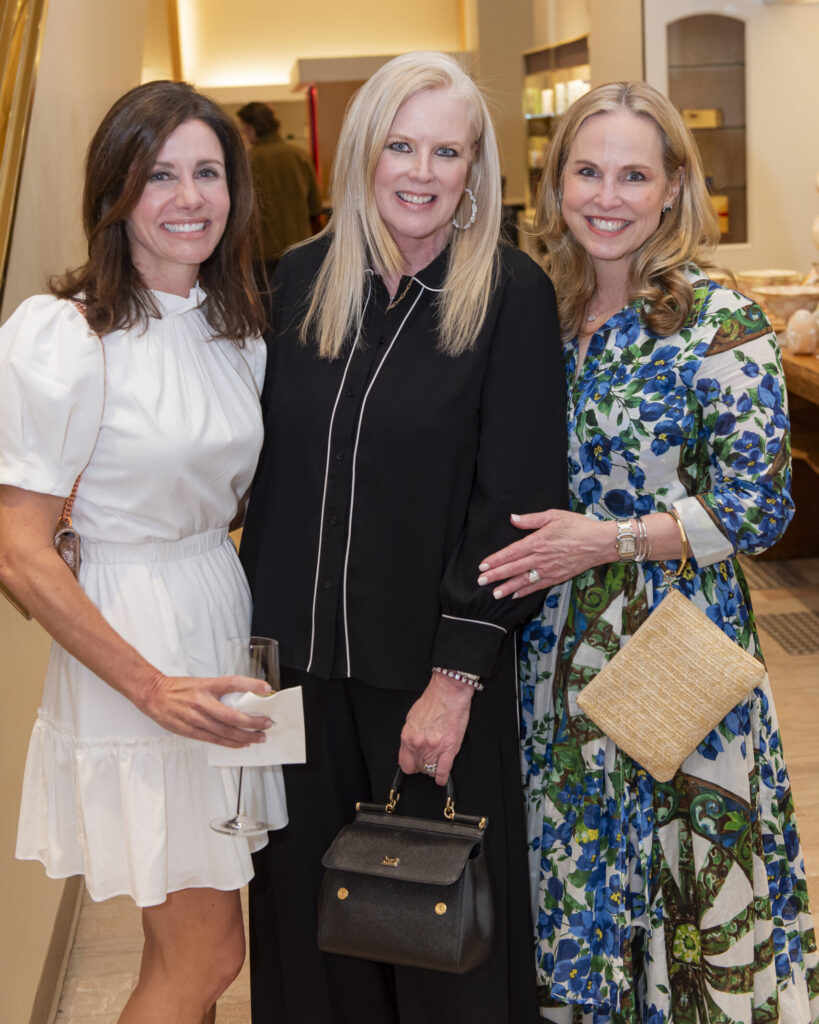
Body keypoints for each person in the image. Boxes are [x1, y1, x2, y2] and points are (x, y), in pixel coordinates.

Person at [477, 82, 819, 1022]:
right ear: (555, 185)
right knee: (575, 870)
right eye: (586, 172)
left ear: (672, 187)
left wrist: (610, 538)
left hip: (674, 648)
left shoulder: (719, 322)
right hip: (549, 649)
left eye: (634, 174)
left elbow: (760, 508)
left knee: (682, 885)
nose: (607, 196)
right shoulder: (533, 308)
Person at [239, 51, 567, 1024]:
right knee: (312, 939)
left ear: (475, 173)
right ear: (362, 155)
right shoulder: (291, 285)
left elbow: (517, 506)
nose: (421, 172)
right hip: (293, 684)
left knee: (437, 947)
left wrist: (455, 677)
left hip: (427, 685)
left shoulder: (509, 295)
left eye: (448, 151)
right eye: (401, 145)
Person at [0, 81, 288, 1024]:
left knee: (191, 947)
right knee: (205, 958)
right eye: (160, 175)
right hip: (137, 645)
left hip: (216, 612)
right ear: (115, 194)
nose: (189, 197)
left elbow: (229, 495)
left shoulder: (233, 327)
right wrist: (149, 686)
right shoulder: (68, 334)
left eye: (207, 172)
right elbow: (18, 549)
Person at [236, 101, 323, 287]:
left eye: (244, 128)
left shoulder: (246, 161)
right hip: (301, 247)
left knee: (268, 309)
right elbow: (315, 206)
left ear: (251, 128)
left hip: (261, 253)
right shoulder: (299, 155)